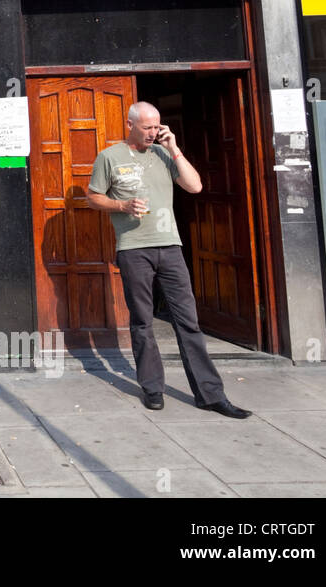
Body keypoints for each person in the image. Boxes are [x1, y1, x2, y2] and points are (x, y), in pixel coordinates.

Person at [87, 101, 252, 419]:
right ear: (130, 124)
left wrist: (173, 147)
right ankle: (152, 388)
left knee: (188, 322)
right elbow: (93, 196)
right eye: (147, 127)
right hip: (134, 249)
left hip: (171, 247)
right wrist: (122, 207)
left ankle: (210, 395)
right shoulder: (110, 157)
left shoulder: (165, 153)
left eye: (157, 126)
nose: (153, 132)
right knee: (142, 322)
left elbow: (195, 186)